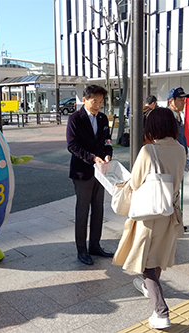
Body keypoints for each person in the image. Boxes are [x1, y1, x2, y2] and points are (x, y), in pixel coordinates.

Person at [113, 107, 186, 330]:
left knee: (146, 262)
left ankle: (161, 312)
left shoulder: (148, 151)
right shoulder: (181, 149)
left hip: (149, 214)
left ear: (152, 127)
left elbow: (135, 184)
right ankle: (149, 288)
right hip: (170, 211)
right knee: (158, 255)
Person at [66, 85, 114, 265]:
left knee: (98, 209)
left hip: (101, 172)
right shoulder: (75, 118)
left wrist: (108, 153)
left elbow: (107, 139)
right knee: (83, 211)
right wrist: (92, 158)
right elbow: (72, 146)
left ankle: (95, 245)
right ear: (84, 99)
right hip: (83, 171)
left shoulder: (102, 118)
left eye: (101, 102)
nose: (98, 105)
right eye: (95, 101)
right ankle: (81, 249)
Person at [167, 87, 189, 155]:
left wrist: (185, 152)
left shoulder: (178, 115)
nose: (183, 103)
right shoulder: (165, 118)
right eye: (180, 100)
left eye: (184, 100)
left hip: (181, 156)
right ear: (171, 102)